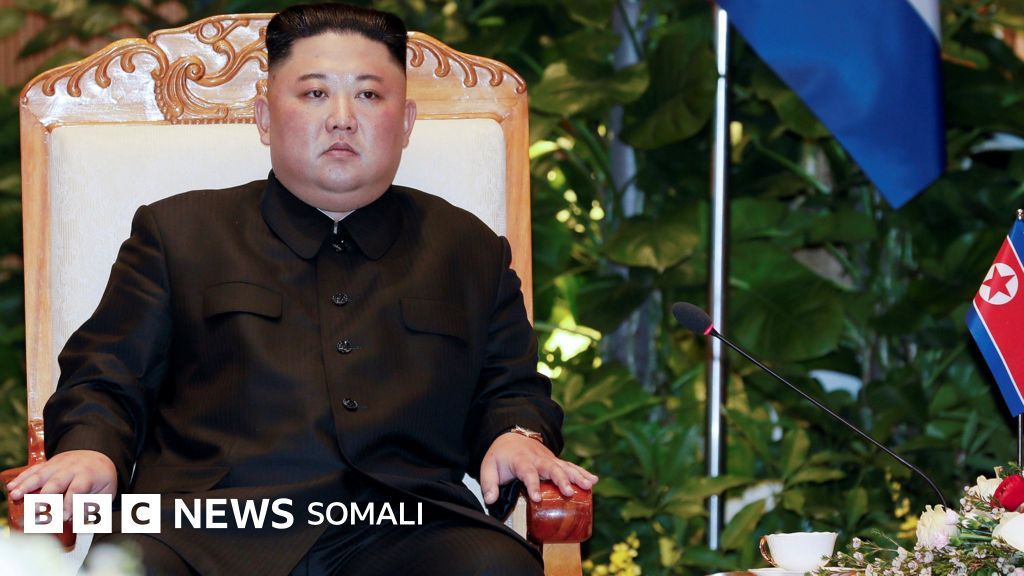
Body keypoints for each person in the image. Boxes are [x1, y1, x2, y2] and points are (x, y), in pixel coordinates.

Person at [5, 4, 596, 574]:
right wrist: (90, 449)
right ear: (265, 118)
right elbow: (107, 378)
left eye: (369, 95)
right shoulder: (178, 233)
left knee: (493, 567)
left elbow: (509, 387)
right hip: (201, 525)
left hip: (405, 525)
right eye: (314, 93)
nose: (342, 117)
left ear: (406, 122)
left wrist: (517, 436)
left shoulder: (467, 248)